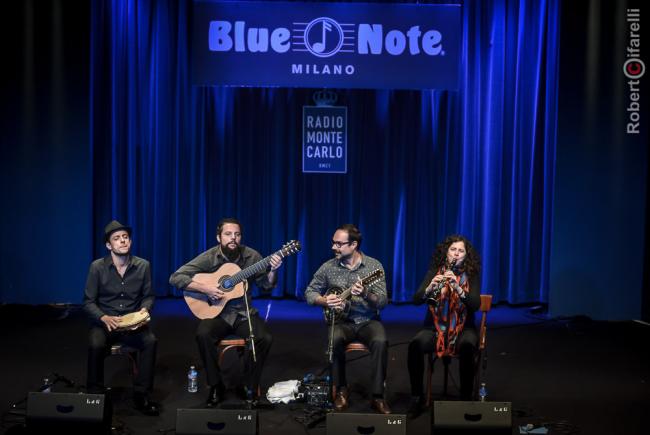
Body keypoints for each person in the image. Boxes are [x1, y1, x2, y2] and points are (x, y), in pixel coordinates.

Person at [169, 218, 282, 407]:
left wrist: (273, 271)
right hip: (216, 313)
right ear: (218, 237)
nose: (233, 238)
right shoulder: (210, 257)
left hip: (243, 313)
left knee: (264, 338)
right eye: (228, 234)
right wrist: (207, 290)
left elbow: (266, 286)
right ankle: (215, 385)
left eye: (237, 234)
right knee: (203, 334)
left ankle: (248, 385)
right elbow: (176, 277)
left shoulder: (252, 257)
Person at [304, 224, 391, 414]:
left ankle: (377, 396)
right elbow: (309, 292)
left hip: (368, 320)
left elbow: (383, 302)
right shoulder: (328, 267)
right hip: (342, 322)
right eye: (333, 243)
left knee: (381, 341)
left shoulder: (374, 267)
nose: (333, 247)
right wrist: (325, 301)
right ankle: (341, 390)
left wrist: (367, 293)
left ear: (353, 245)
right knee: (333, 340)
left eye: (339, 244)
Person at [83, 220, 160, 416]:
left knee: (150, 341)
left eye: (125, 237)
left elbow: (149, 296)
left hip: (132, 324)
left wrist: (144, 311)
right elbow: (88, 301)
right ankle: (94, 396)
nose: (122, 241)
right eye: (117, 238)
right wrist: (103, 317)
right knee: (95, 343)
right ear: (109, 245)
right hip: (106, 323)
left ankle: (141, 394)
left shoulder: (143, 266)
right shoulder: (97, 267)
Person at [407, 234, 481, 418]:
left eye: (461, 251)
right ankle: (417, 396)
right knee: (415, 345)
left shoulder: (471, 274)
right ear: (446, 253)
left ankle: (465, 400)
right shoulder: (435, 270)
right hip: (434, 328)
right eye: (453, 250)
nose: (456, 254)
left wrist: (457, 288)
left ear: (466, 255)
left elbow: (475, 305)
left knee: (467, 346)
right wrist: (429, 288)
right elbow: (416, 300)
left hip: (464, 328)